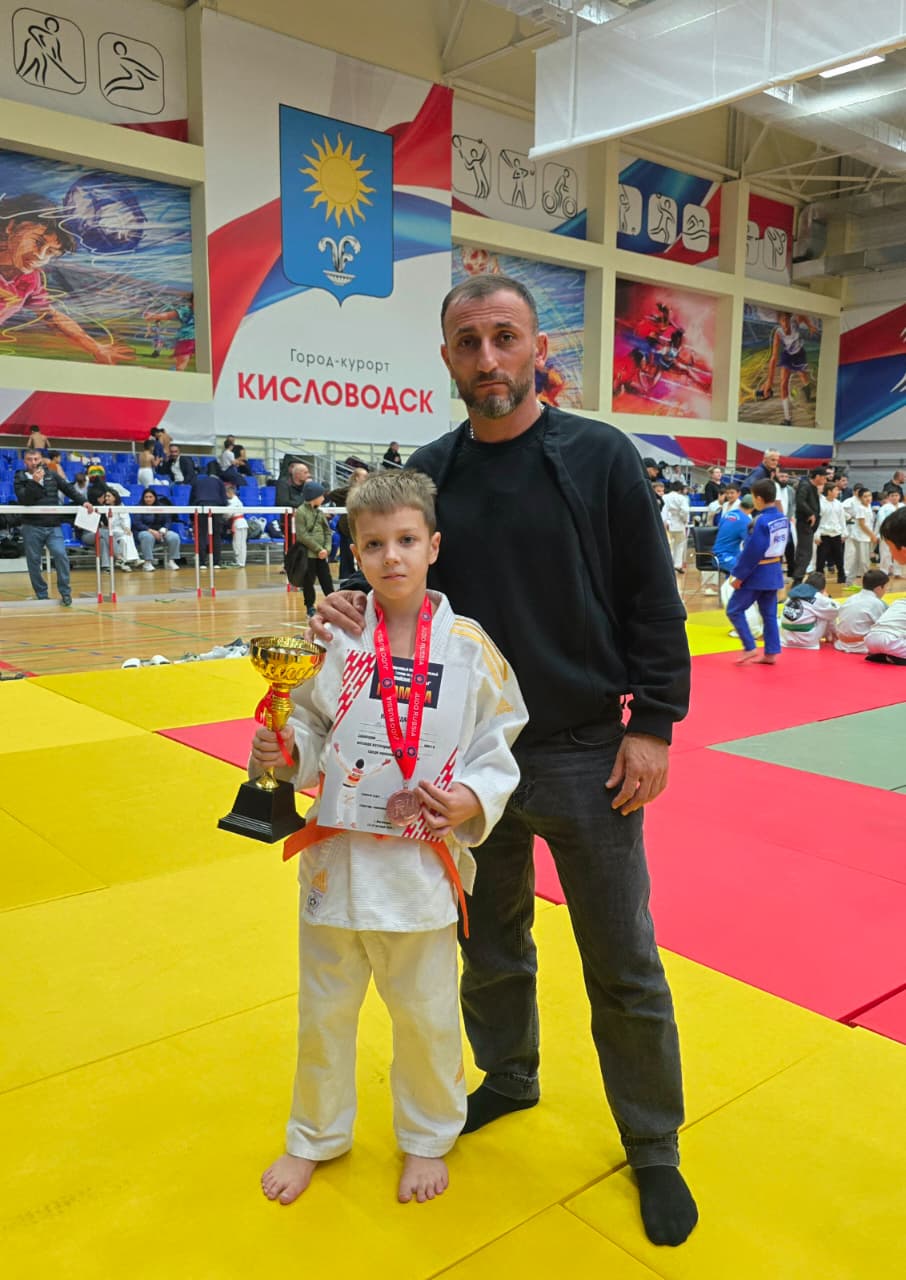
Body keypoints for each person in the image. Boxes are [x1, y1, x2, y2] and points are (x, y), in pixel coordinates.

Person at [311, 274, 698, 1248]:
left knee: (623, 959)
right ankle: (510, 1075)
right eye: (469, 342)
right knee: (487, 945)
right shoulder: (431, 470)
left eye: (505, 337)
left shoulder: (598, 456)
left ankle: (652, 1141)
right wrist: (347, 600)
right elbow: (394, 568)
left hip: (584, 753)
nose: (488, 358)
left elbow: (653, 598)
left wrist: (653, 722)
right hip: (460, 761)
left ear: (536, 349)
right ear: (447, 356)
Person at [255, 470, 528, 1207]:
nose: (392, 557)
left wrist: (471, 797)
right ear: (356, 552)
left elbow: (499, 740)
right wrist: (289, 750)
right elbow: (310, 725)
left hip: (418, 867)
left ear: (433, 546)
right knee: (323, 1014)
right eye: (374, 544)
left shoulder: (468, 648)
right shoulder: (335, 637)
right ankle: (315, 1135)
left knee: (428, 1018)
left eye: (407, 540)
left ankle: (429, 1137)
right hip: (337, 860)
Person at [0, 194, 134, 364]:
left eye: (50, 252)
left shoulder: (30, 279)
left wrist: (95, 348)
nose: (40, 256)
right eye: (38, 242)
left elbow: (51, 316)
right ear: (12, 226)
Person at [13, 448, 93, 605]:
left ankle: (65, 592)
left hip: (53, 525)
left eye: (36, 459)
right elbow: (25, 500)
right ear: (24, 462)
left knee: (61, 555)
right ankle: (41, 594)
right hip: (31, 525)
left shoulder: (52, 475)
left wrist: (83, 501)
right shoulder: (20, 477)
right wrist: (34, 482)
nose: (33, 462)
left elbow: (68, 489)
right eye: (30, 459)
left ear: (41, 459)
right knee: (34, 562)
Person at [726, 479, 789, 665]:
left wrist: (739, 576)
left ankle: (749, 646)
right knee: (769, 614)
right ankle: (771, 653)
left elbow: (752, 551)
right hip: (774, 570)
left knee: (734, 610)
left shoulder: (761, 521)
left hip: (757, 573)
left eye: (753, 497)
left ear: (759, 499)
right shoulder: (782, 518)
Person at [758, 312, 817, 425]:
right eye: (782, 320)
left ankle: (808, 394)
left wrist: (810, 326)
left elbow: (803, 316)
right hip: (787, 356)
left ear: (789, 319)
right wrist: (769, 381)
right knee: (783, 384)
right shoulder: (778, 333)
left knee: (803, 377)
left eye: (786, 319)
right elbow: (774, 357)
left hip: (799, 354)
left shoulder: (795, 322)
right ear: (779, 322)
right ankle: (787, 419)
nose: (785, 323)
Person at [293, 481, 333, 615]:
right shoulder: (301, 512)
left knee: (326, 579)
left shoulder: (319, 512)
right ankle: (310, 605)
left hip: (322, 554)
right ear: (314, 496)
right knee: (308, 581)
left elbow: (327, 531)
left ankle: (333, 602)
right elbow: (302, 535)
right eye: (321, 495)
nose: (323, 498)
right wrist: (318, 549)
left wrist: (327, 549)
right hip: (308, 555)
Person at [834, 570, 889, 653]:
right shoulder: (877, 603)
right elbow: (886, 628)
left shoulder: (851, 598)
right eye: (885, 587)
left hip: (842, 643)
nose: (886, 590)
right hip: (862, 646)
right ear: (878, 588)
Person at [780, 571, 837, 648]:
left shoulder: (793, 593)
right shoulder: (818, 597)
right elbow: (837, 610)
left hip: (785, 639)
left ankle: (831, 635)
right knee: (829, 612)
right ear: (823, 589)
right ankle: (832, 636)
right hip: (807, 641)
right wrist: (827, 598)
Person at [132, 487, 181, 571]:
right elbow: (137, 523)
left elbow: (168, 521)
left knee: (174, 537)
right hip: (143, 531)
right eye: (146, 497)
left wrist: (164, 529)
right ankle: (147, 563)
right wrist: (151, 531)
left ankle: (171, 561)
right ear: (143, 498)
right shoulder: (138, 507)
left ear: (155, 497)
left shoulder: (162, 507)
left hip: (160, 531)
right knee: (147, 536)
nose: (148, 499)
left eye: (150, 497)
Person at [791, 469, 825, 585]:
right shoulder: (805, 485)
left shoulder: (812, 487)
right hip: (804, 522)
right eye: (824, 477)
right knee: (805, 553)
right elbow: (800, 501)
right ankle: (797, 580)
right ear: (818, 476)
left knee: (806, 552)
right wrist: (810, 513)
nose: (825, 480)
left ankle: (798, 578)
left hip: (809, 524)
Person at [143, 293, 195, 371]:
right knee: (181, 363)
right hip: (187, 339)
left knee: (183, 363)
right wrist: (154, 316)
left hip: (202, 339)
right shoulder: (186, 310)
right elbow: (169, 315)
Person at [190, 464, 228, 567]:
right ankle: (216, 562)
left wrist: (192, 517)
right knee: (216, 536)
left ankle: (202, 563)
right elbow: (224, 501)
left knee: (202, 535)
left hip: (200, 508)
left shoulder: (197, 482)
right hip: (216, 509)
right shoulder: (219, 482)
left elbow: (191, 500)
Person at [816, 480, 847, 585]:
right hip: (824, 535)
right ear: (829, 491)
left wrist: (844, 533)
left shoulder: (838, 504)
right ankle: (819, 579)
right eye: (836, 490)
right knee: (821, 559)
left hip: (836, 534)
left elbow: (842, 519)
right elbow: (818, 521)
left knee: (839, 558)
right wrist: (817, 535)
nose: (838, 492)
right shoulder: (821, 503)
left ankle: (842, 577)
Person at [846, 489, 878, 583]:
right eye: (865, 496)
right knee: (864, 562)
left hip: (866, 537)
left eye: (869, 496)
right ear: (860, 498)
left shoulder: (868, 506)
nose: (868, 498)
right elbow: (862, 525)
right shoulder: (860, 508)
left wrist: (871, 535)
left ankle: (849, 582)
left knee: (857, 561)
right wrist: (872, 535)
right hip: (860, 538)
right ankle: (869, 583)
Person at [865, 596, 906, 664]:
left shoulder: (898, 602)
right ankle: (890, 658)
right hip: (890, 640)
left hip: (870, 640)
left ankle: (883, 656)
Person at [662, 481, 690, 575]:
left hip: (667, 523)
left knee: (668, 545)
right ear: (680, 489)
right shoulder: (681, 498)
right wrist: (684, 519)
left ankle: (667, 565)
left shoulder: (664, 497)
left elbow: (663, 510)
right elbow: (685, 511)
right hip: (679, 523)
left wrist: (664, 520)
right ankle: (677, 565)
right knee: (679, 545)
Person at [875, 490, 902, 577]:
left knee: (899, 551)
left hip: (900, 534)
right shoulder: (884, 508)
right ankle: (884, 571)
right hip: (887, 532)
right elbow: (881, 521)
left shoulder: (903, 506)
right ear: (888, 497)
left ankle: (898, 572)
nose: (894, 497)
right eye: (892, 495)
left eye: (896, 495)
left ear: (899, 496)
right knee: (885, 553)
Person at [224, 482, 248, 568]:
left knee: (239, 544)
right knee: (239, 544)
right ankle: (239, 561)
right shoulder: (235, 500)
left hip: (239, 523)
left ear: (230, 492)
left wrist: (224, 516)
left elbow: (228, 514)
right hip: (238, 523)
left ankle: (240, 562)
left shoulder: (234, 501)